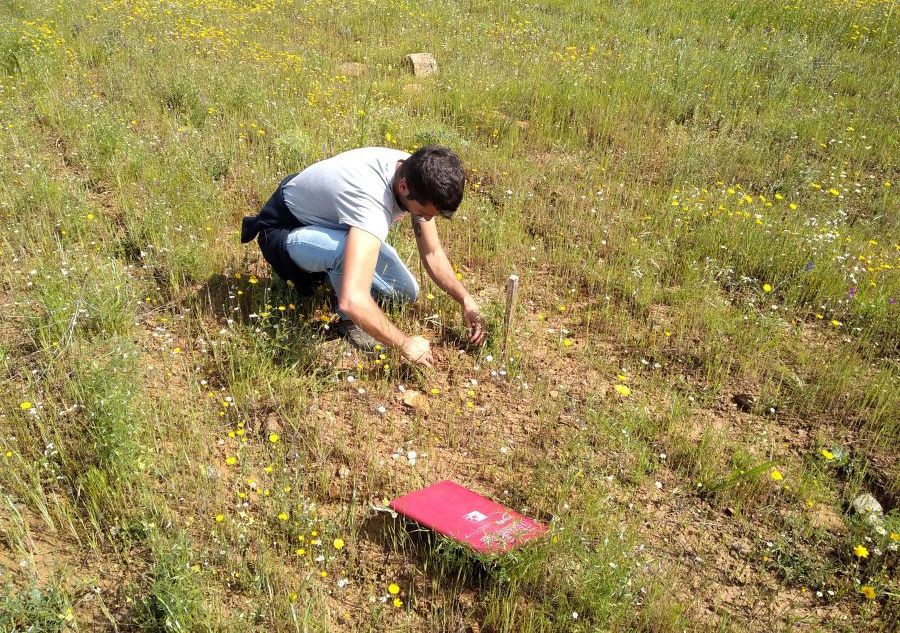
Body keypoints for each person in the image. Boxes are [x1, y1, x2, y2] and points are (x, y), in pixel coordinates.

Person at [240, 145, 487, 367]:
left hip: (329, 225)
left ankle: (331, 277)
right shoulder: (370, 203)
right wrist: (405, 344)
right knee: (343, 256)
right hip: (283, 230)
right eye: (424, 213)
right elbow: (353, 299)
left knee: (404, 292)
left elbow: (432, 253)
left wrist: (465, 299)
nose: (427, 220)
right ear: (403, 188)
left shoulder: (414, 170)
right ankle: (350, 323)